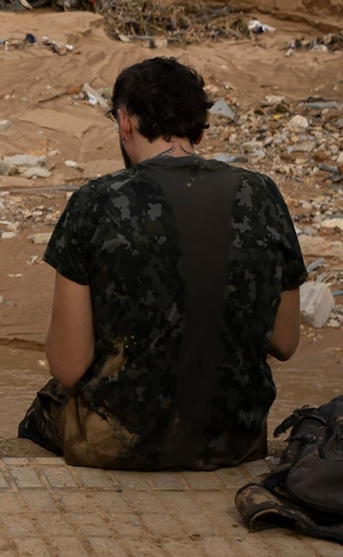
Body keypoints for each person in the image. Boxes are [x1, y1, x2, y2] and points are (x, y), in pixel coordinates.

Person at [20, 57, 307, 470]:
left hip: (119, 443)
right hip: (236, 440)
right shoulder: (261, 194)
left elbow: (68, 367)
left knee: (44, 408)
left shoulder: (97, 201)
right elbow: (285, 342)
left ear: (124, 122)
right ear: (200, 129)